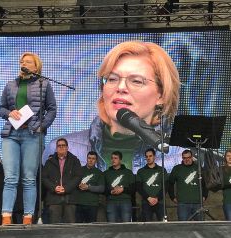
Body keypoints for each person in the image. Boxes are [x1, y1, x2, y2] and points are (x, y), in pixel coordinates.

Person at [43, 40, 181, 173]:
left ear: (161, 94)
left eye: (136, 81)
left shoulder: (180, 154)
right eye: (112, 79)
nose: (120, 87)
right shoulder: (63, 148)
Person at [0, 52, 57, 225]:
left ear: (36, 66)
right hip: (12, 134)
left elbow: (52, 109)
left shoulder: (43, 84)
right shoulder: (10, 85)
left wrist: (41, 126)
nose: (24, 63)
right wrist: (10, 112)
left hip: (32, 134)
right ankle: (6, 216)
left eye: (28, 61)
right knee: (10, 177)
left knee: (29, 178)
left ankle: (28, 216)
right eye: (22, 61)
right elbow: (1, 108)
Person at [42, 138, 82, 223]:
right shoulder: (49, 162)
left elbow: (78, 177)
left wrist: (66, 188)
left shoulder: (75, 161)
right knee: (54, 227)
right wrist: (54, 188)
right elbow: (44, 178)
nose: (61, 147)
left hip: (70, 198)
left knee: (70, 227)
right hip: (54, 199)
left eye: (63, 145)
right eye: (59, 146)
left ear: (67, 147)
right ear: (56, 148)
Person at [168, 149, 208, 221]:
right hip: (183, 204)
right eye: (184, 158)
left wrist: (205, 195)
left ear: (192, 157)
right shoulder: (177, 169)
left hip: (198, 203)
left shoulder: (198, 168)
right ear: (182, 158)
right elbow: (170, 183)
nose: (187, 159)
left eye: (188, 157)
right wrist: (172, 197)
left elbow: (205, 183)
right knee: (183, 227)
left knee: (200, 227)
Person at [136, 148, 167, 221]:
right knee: (146, 227)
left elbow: (165, 186)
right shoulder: (141, 171)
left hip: (160, 202)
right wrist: (148, 198)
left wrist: (157, 198)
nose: (148, 158)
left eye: (150, 156)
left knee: (163, 226)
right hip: (146, 203)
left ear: (154, 157)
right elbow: (139, 187)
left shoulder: (162, 170)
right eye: (146, 156)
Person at [104, 151, 135, 222]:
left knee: (126, 227)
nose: (113, 160)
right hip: (111, 202)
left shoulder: (128, 172)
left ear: (120, 160)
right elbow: (103, 189)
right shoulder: (106, 173)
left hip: (125, 202)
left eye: (115, 158)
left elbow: (133, 188)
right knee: (111, 227)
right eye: (112, 158)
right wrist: (111, 191)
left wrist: (123, 189)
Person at [75, 151, 105, 223]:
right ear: (87, 159)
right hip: (79, 203)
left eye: (93, 159)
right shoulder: (79, 170)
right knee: (78, 228)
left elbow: (101, 188)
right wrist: (78, 185)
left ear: (96, 160)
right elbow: (73, 184)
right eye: (89, 158)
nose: (91, 160)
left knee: (91, 228)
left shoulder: (99, 172)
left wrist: (88, 187)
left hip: (92, 204)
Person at [222, 149, 231, 220]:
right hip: (228, 202)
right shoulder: (222, 169)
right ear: (225, 157)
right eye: (228, 156)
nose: (230, 157)